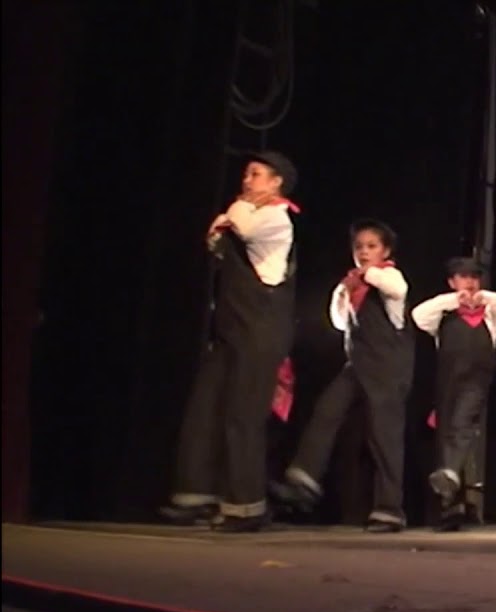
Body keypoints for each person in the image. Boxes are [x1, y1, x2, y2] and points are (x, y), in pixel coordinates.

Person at [163, 151, 300, 532]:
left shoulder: (275, 216)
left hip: (261, 330)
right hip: (232, 329)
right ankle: (196, 495)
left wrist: (233, 211)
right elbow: (215, 238)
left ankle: (246, 506)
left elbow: (237, 224)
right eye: (245, 174)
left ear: (276, 183)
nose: (247, 180)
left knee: (244, 414)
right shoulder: (255, 213)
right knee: (205, 407)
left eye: (255, 174)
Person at [282, 219, 413, 532]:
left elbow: (398, 289)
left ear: (386, 251)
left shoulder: (388, 275)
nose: (364, 252)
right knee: (327, 409)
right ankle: (305, 476)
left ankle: (389, 509)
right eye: (359, 247)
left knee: (384, 437)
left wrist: (364, 276)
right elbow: (340, 323)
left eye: (372, 246)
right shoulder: (352, 283)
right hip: (358, 364)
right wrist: (344, 292)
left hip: (388, 367)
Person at [411, 257, 496, 531]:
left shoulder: (491, 317)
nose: (470, 283)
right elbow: (418, 315)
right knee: (448, 434)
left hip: (478, 379)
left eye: (474, 278)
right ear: (452, 282)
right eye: (463, 278)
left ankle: (451, 475)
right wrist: (453, 300)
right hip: (448, 381)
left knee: (462, 425)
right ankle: (451, 505)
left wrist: (489, 297)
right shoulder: (443, 316)